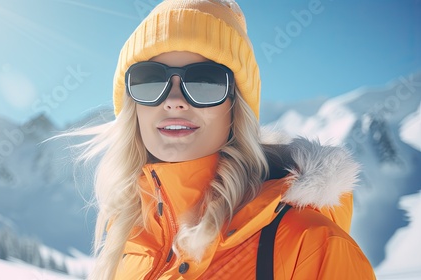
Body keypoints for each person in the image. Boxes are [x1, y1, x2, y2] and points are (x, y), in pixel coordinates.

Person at [70, 0, 376, 279]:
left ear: (235, 108)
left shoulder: (309, 247)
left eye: (204, 81)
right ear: (131, 106)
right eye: (150, 80)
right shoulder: (127, 246)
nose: (174, 100)